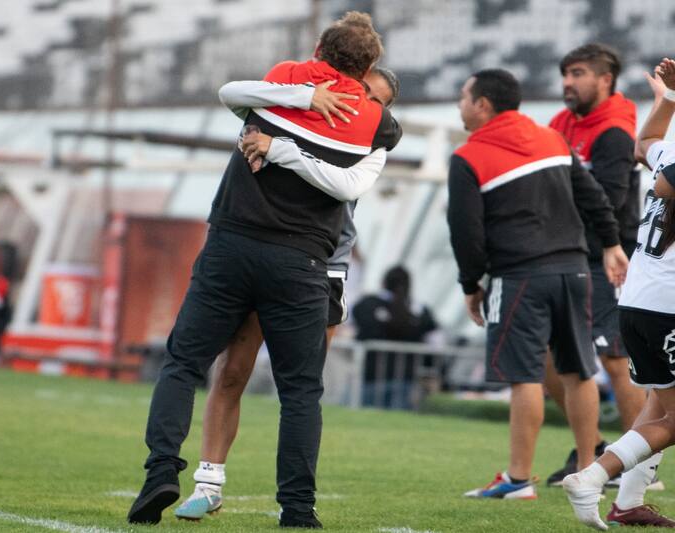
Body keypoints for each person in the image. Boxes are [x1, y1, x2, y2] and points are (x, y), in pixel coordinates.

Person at [126, 12, 402, 528]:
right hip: (302, 263)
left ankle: (162, 471)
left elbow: (231, 92)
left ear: (318, 47)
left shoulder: (278, 84)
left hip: (233, 245)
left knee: (185, 363)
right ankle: (295, 508)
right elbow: (348, 187)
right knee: (299, 390)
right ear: (365, 69)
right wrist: (310, 109)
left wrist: (281, 143)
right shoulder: (377, 125)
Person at [446, 68, 627, 500]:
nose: (460, 104)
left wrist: (471, 283)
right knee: (579, 369)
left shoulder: (468, 156)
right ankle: (589, 471)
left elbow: (465, 232)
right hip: (574, 269)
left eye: (464, 96)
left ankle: (517, 479)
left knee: (523, 374)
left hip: (519, 274)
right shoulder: (551, 139)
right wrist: (611, 242)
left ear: (483, 105)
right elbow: (594, 196)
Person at [563, 58, 675, 531]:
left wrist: (666, 102)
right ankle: (592, 476)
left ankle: (628, 503)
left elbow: (645, 146)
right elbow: (666, 182)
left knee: (658, 406)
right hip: (668, 302)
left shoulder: (671, 143)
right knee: (672, 420)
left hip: (642, 296)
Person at [546, 43, 652, 488]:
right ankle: (593, 450)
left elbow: (609, 201)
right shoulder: (561, 123)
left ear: (605, 79)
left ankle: (640, 467)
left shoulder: (612, 132)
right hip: (569, 253)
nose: (568, 82)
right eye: (566, 73)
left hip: (610, 255)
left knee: (614, 359)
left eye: (578, 73)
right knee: (554, 359)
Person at [352, 265, 442, 408]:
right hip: (405, 378)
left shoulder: (368, 304)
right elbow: (436, 343)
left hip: (371, 375)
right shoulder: (420, 310)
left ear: (384, 283)